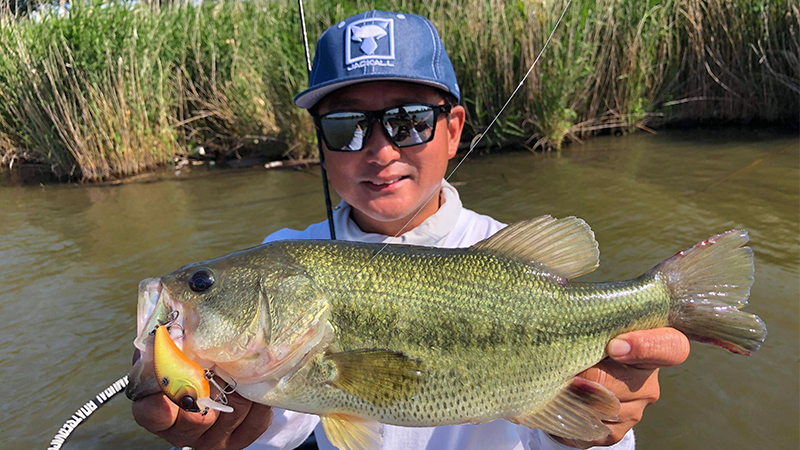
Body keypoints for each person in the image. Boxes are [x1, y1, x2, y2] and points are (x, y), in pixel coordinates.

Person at [132, 10, 690, 450]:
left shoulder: (502, 253)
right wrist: (213, 419)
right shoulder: (283, 255)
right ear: (319, 143)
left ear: (453, 130)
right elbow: (280, 432)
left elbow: (585, 436)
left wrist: (598, 423)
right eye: (346, 126)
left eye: (408, 121)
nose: (379, 150)